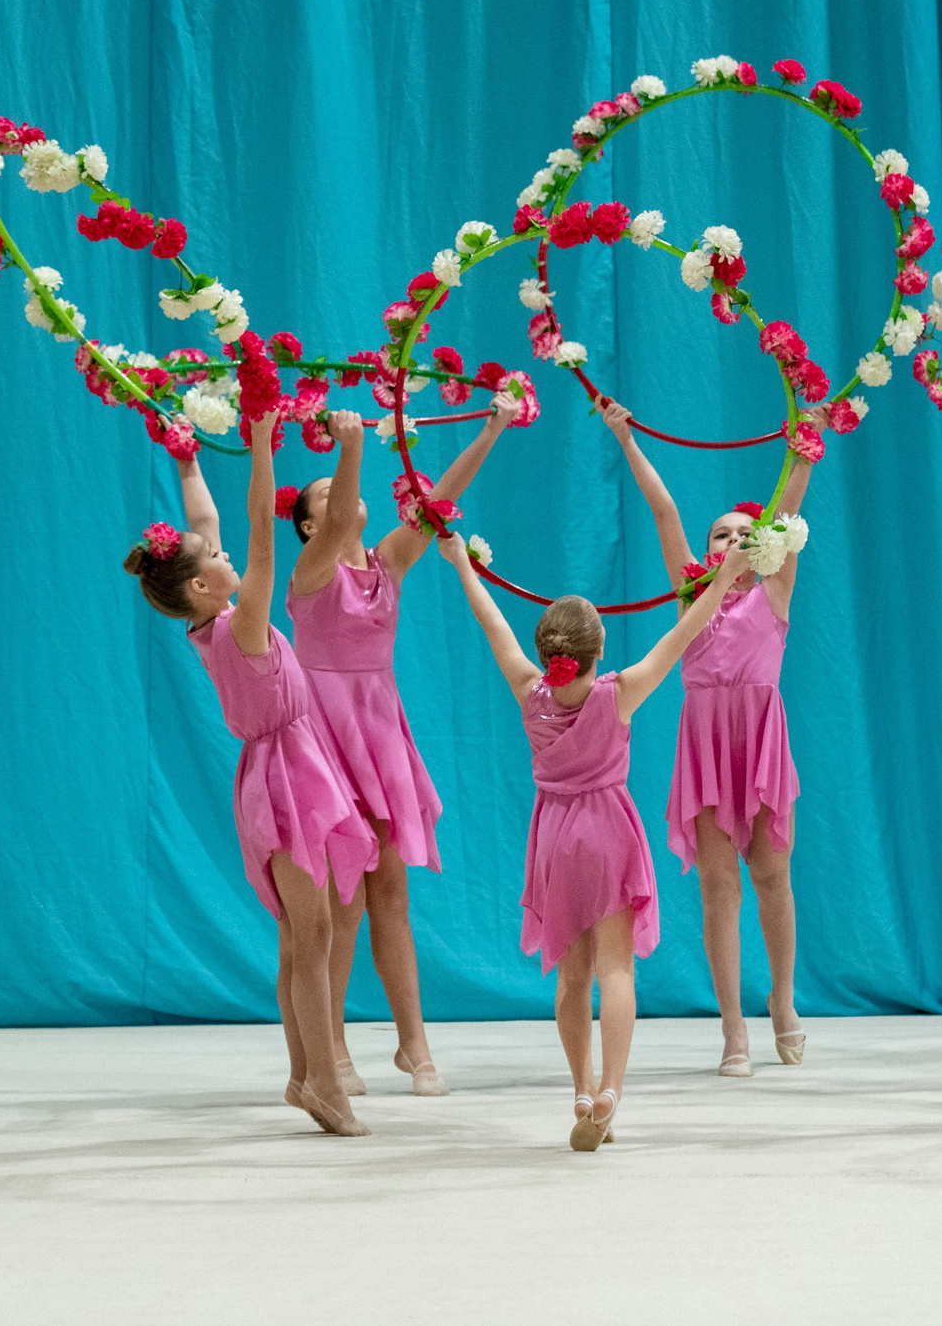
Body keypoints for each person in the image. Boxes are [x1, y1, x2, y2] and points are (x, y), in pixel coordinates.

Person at [437, 530, 748, 1149]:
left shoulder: (530, 693)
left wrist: (462, 567)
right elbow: (682, 635)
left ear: (547, 652)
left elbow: (492, 624)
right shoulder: (619, 694)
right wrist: (722, 578)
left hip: (554, 839)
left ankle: (580, 1089)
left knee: (571, 975)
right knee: (616, 969)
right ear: (599, 649)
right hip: (607, 832)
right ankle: (611, 1089)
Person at [126, 413, 375, 1137]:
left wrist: (186, 461)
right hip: (289, 776)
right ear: (202, 584)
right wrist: (262, 444)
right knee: (312, 935)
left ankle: (304, 1075)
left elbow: (207, 525)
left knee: (303, 935)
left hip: (285, 767)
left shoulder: (211, 617)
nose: (225, 551)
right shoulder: (240, 625)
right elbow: (261, 538)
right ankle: (322, 1079)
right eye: (215, 557)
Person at [287, 395, 523, 1098]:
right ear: (308, 526)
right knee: (341, 901)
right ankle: (333, 1047)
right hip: (326, 743)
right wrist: (349, 448)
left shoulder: (385, 565)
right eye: (326, 496)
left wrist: (492, 429)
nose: (341, 501)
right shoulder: (311, 573)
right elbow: (341, 517)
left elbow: (437, 501)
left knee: (391, 893)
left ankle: (413, 1045)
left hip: (380, 735)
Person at [602, 400, 813, 1077]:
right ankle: (733, 1029)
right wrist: (627, 438)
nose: (731, 542)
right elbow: (664, 511)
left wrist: (805, 453)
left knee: (772, 876)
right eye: (720, 535)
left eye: (743, 533)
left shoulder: (774, 593)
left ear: (765, 547)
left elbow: (787, 511)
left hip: (760, 741)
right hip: (706, 745)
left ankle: (782, 999)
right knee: (720, 887)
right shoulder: (692, 595)